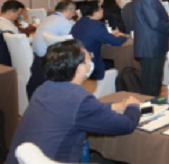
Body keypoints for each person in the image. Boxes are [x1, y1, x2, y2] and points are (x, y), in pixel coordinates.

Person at [5, 40, 140, 164]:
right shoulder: (79, 98)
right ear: (80, 68)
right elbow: (126, 125)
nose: (91, 61)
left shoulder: (43, 89)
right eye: (88, 58)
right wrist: (132, 106)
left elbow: (80, 111)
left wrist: (117, 106)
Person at [133, 0, 169, 96]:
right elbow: (155, 23)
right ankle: (151, 106)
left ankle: (151, 105)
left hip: (149, 45)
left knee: (152, 83)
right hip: (151, 46)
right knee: (151, 86)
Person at [70, 0, 128, 80]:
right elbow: (117, 42)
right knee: (120, 63)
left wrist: (110, 34)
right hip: (91, 64)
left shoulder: (78, 23)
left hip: (76, 62)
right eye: (100, 8)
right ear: (95, 13)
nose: (103, 10)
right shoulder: (97, 26)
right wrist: (125, 37)